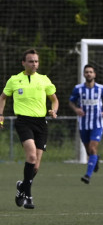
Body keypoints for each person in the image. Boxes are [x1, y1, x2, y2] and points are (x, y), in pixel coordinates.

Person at [0, 49, 59, 209]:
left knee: (36, 166)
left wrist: (54, 110)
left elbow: (54, 99)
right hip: (23, 122)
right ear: (23, 63)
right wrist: (0, 114)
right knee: (31, 156)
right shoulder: (14, 80)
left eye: (36, 61)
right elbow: (3, 97)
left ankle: (21, 188)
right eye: (31, 61)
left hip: (41, 123)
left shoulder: (44, 80)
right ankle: (28, 196)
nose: (34, 64)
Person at [69, 64, 103, 184]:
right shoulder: (78, 89)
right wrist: (76, 109)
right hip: (83, 124)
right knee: (89, 151)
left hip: (97, 123)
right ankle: (95, 159)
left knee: (93, 148)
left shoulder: (101, 88)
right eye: (86, 72)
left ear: (94, 74)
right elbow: (71, 102)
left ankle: (87, 175)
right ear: (83, 74)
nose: (89, 74)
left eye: (91, 72)